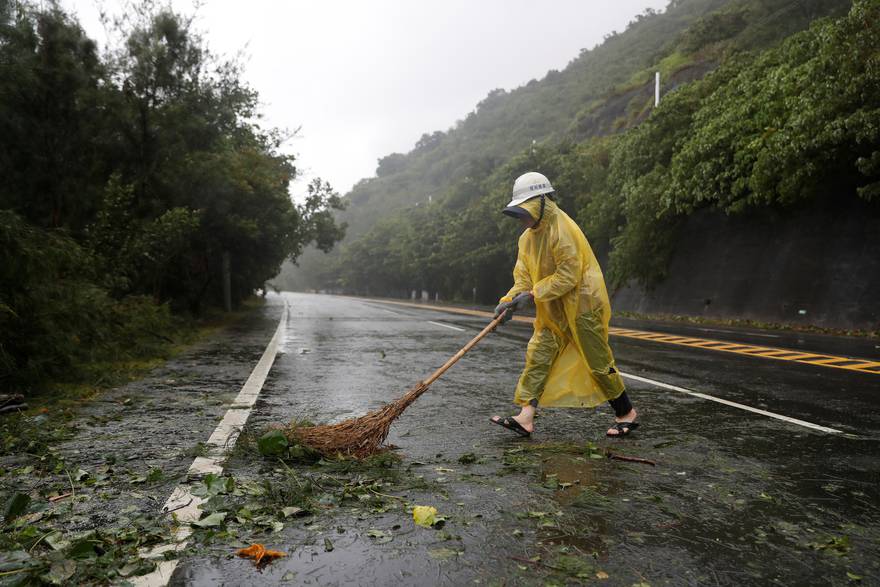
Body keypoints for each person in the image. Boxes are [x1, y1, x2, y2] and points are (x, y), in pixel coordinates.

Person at [489, 171, 638, 438]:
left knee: (597, 360)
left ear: (542, 202)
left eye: (525, 210)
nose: (521, 218)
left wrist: (533, 295)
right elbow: (523, 277)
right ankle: (526, 417)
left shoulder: (563, 228)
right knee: (538, 356)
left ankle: (626, 413)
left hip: (582, 303)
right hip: (552, 306)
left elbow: (569, 275)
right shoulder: (526, 238)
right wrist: (508, 301)